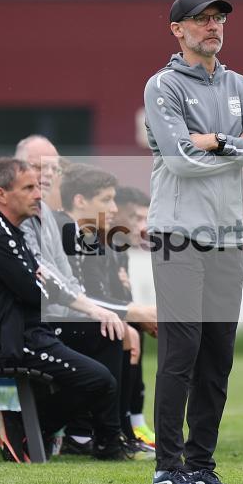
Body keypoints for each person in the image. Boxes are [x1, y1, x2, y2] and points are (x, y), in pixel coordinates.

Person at [144, 0, 243, 484]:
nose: (213, 26)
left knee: (218, 356)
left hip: (226, 238)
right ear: (177, 30)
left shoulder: (240, 86)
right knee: (181, 353)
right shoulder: (162, 86)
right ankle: (167, 467)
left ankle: (201, 464)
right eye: (201, 20)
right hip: (177, 236)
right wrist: (241, 145)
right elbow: (181, 160)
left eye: (218, 18)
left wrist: (220, 141)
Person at [0, 157, 130, 460]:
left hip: (27, 332)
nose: (38, 194)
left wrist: (96, 311)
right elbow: (38, 292)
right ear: (1, 195)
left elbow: (44, 284)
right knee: (99, 380)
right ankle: (25, 425)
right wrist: (42, 285)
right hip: (6, 342)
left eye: (38, 187)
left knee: (106, 332)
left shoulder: (12, 230)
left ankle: (107, 442)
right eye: (28, 188)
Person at [51, 163, 157, 460]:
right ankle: (102, 436)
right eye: (106, 200)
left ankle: (118, 431)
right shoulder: (63, 229)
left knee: (123, 329)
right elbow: (73, 296)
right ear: (80, 200)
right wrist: (137, 311)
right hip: (49, 324)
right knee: (116, 330)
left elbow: (97, 294)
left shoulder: (89, 235)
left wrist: (133, 312)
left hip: (70, 320)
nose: (113, 207)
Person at [0, 135, 122, 336]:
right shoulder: (8, 210)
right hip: (19, 326)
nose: (49, 174)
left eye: (54, 168)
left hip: (45, 318)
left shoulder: (44, 212)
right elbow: (39, 269)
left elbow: (65, 274)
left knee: (112, 329)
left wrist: (89, 312)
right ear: (16, 167)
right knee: (109, 333)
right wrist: (90, 310)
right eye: (39, 167)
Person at [111, 186, 156, 447]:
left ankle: (135, 422)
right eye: (136, 218)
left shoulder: (120, 251)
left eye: (145, 219)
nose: (143, 227)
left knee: (136, 327)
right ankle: (125, 426)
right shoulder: (99, 246)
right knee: (131, 330)